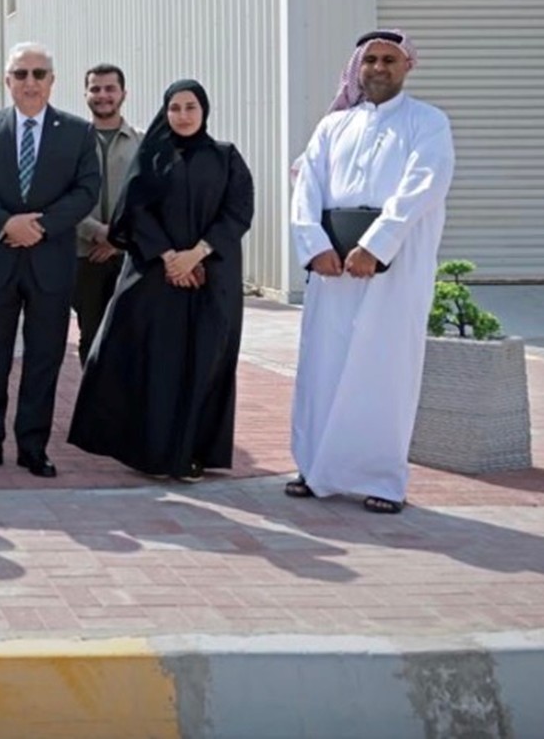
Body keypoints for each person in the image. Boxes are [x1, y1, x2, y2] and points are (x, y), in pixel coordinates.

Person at [288, 29, 454, 515]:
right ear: (357, 68)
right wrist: (315, 247)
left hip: (392, 268)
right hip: (332, 265)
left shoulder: (428, 123)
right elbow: (307, 191)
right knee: (324, 364)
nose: (378, 68)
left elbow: (423, 186)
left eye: (389, 60)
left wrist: (375, 246)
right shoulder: (333, 127)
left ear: (407, 67)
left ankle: (382, 479)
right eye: (370, 60)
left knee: (385, 366)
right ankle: (315, 469)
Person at [66, 80, 253, 481]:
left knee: (203, 362)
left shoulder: (226, 158)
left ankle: (192, 452)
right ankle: (148, 450)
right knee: (152, 362)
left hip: (211, 277)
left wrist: (195, 254)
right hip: (155, 276)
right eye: (175, 108)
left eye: (190, 107)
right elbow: (135, 212)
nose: (182, 115)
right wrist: (169, 258)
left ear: (204, 111)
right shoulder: (152, 155)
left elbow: (237, 213)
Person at [0, 42, 101, 477]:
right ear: (8, 81)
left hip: (51, 261)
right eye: (21, 74)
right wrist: (8, 224)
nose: (30, 82)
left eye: (39, 74)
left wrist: (39, 227)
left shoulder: (77, 131)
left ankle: (33, 447)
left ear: (52, 81)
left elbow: (85, 190)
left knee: (44, 357)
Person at [73, 64, 142, 362]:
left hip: (131, 256)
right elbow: (61, 198)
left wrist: (116, 240)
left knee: (130, 335)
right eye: (96, 89)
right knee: (91, 337)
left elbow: (150, 199)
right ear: (86, 94)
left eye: (110, 88)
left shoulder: (143, 142)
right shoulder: (73, 143)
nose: (103, 95)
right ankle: (92, 406)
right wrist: (95, 232)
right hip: (83, 257)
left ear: (123, 93)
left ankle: (127, 407)